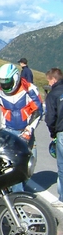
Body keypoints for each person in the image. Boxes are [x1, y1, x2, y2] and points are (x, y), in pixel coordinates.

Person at [0, 63, 43, 192]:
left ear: (15, 78)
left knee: (28, 166)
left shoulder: (29, 89)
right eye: (2, 82)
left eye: (7, 83)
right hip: (8, 133)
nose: (4, 86)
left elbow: (38, 111)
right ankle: (16, 196)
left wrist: (29, 129)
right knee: (13, 167)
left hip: (26, 133)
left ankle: (14, 190)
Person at [44, 68, 63, 203]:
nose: (49, 84)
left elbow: (50, 118)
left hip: (61, 131)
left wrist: (53, 133)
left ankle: (62, 198)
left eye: (49, 81)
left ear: (54, 79)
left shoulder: (53, 95)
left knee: (62, 166)